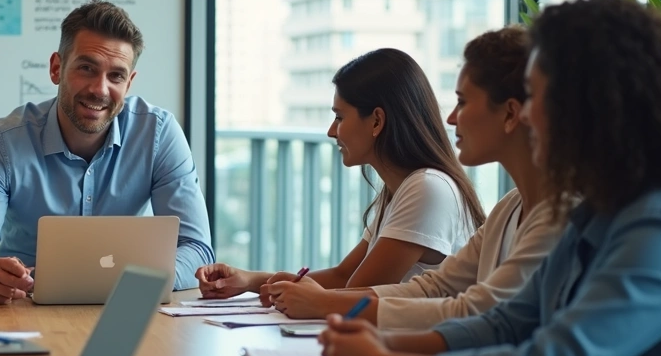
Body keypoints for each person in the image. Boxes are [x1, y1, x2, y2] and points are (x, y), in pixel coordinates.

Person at [320, 0, 661, 356]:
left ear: (590, 106)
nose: (524, 115)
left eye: (535, 96)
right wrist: (385, 343)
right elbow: (507, 323)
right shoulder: (601, 211)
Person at [265, 27, 570, 329]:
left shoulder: (558, 215)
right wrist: (313, 298)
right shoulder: (508, 208)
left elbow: (476, 310)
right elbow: (433, 288)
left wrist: (333, 310)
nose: (451, 118)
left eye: (462, 102)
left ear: (511, 114)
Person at [0, 0, 213, 304]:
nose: (100, 89)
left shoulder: (158, 134)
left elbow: (197, 249)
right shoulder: (3, 141)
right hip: (25, 309)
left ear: (129, 83)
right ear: (56, 68)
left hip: (128, 308)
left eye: (116, 76)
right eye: (86, 68)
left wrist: (137, 285)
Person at [197, 48, 485, 296]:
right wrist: (250, 281)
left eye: (339, 117)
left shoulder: (427, 188)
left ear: (377, 121)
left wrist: (294, 293)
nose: (331, 131)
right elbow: (343, 276)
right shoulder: (403, 189)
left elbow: (353, 294)